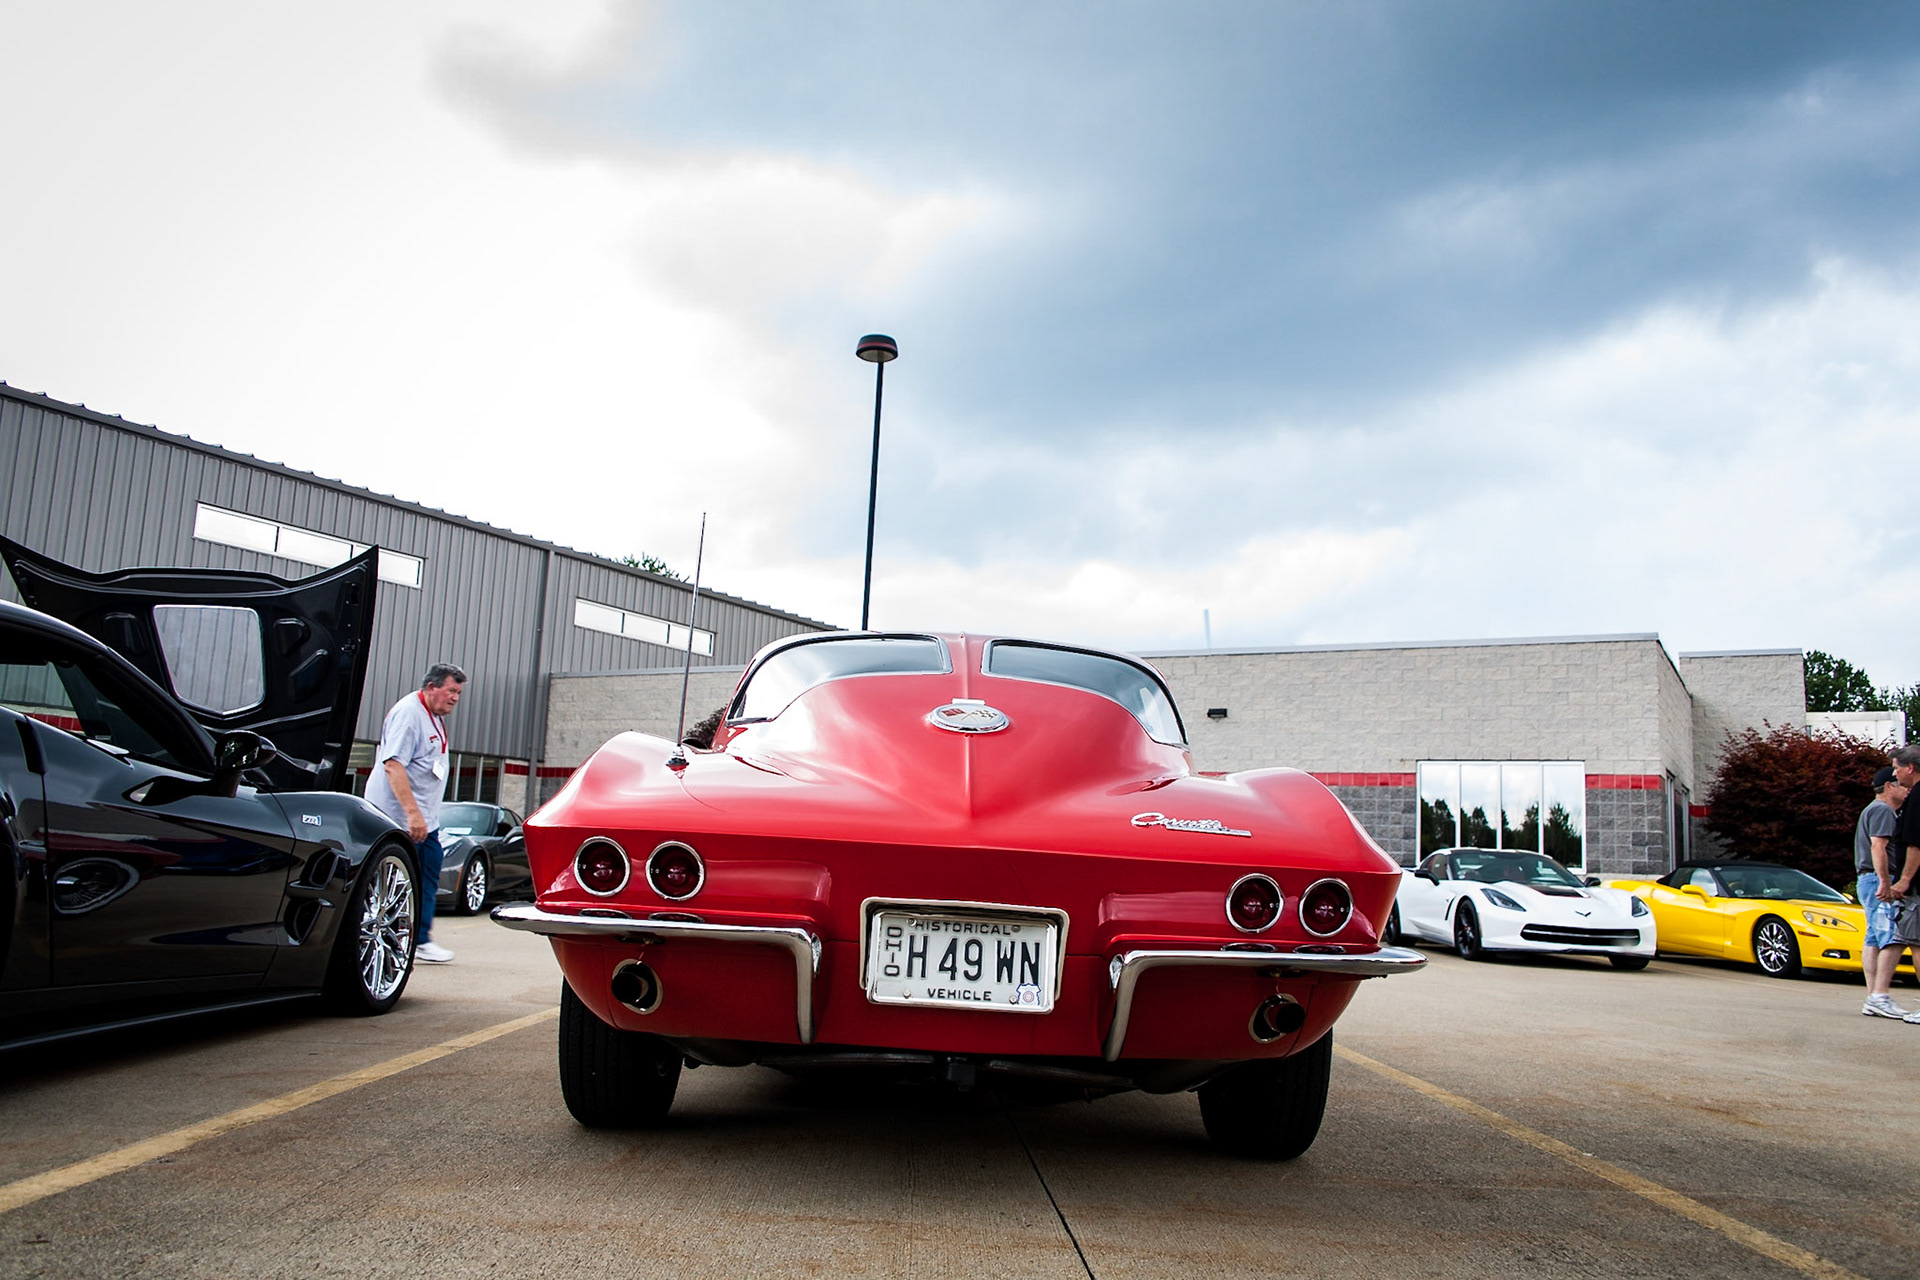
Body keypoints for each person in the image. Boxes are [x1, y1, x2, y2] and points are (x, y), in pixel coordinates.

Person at [365, 662, 468, 965]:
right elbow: (393, 765)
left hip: (426, 821)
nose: (455, 698)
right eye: (451, 690)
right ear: (432, 687)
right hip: (399, 820)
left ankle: (418, 938)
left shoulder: (432, 714)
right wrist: (413, 815)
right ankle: (395, 936)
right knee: (394, 883)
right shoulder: (409, 714)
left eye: (459, 693)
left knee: (427, 876)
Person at [1857, 763, 1913, 1017]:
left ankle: (1873, 996)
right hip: (1879, 879)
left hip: (1868, 879)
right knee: (1892, 936)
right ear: (1889, 787)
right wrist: (1885, 882)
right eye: (1902, 786)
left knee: (1873, 938)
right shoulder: (1883, 811)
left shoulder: (1872, 809)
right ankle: (1879, 996)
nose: (1908, 791)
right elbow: (1877, 847)